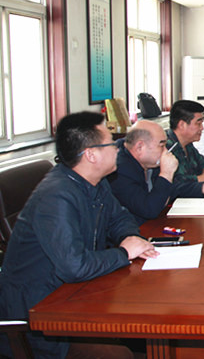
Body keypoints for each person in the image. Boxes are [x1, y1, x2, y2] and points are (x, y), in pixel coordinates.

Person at [0, 112, 158, 358]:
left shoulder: (95, 181)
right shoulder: (56, 196)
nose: (118, 149)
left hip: (76, 293)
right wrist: (124, 252)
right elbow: (74, 266)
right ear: (91, 154)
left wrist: (129, 237)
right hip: (39, 318)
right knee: (119, 354)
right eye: (111, 144)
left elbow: (120, 217)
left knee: (141, 323)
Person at [108, 119, 204, 224]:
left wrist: (201, 188)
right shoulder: (118, 171)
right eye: (161, 145)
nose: (166, 151)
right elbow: (149, 209)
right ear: (140, 147)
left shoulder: (149, 162)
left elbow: (173, 188)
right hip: (137, 230)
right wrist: (166, 174)